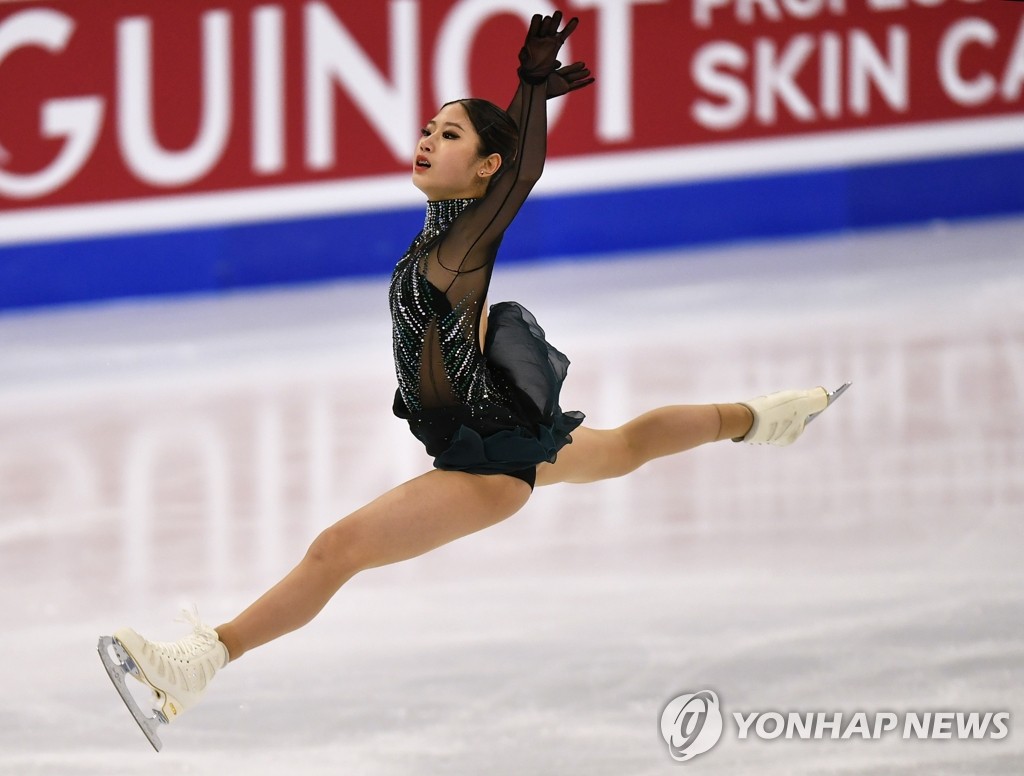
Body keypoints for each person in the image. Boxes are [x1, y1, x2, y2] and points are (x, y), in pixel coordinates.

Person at [105, 11, 839, 737]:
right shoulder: (439, 241)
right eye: (428, 127)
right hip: (491, 431)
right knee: (623, 447)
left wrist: (527, 91)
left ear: (483, 166)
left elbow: (519, 174)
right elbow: (484, 225)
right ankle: (766, 416)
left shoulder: (463, 244)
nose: (427, 139)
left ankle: (196, 667)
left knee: (337, 549)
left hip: (485, 464)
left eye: (449, 134)